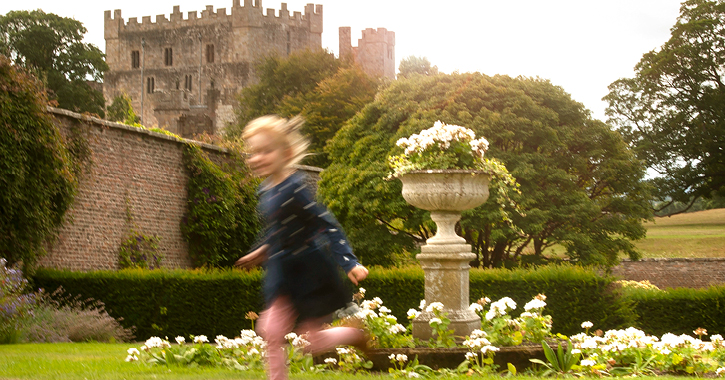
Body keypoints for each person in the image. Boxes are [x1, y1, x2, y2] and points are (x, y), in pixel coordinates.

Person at [235, 115, 369, 380]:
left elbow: (326, 224)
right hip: (282, 272)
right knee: (270, 329)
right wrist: (261, 251)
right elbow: (279, 230)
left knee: (311, 343)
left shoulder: (295, 188)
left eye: (265, 151)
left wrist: (349, 262)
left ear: (285, 153)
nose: (257, 158)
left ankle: (354, 335)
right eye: (253, 153)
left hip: (309, 273)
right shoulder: (265, 190)